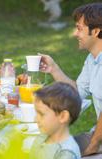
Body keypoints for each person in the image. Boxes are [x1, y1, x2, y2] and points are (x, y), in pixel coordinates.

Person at [39, 2, 102, 158]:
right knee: (49, 148)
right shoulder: (92, 59)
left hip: (98, 139)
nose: (75, 34)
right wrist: (53, 68)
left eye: (79, 28)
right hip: (98, 135)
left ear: (95, 31)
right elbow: (76, 92)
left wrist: (93, 145)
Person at [30, 82, 81, 159]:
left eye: (41, 114)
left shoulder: (66, 153)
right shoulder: (43, 136)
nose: (35, 119)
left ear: (63, 117)